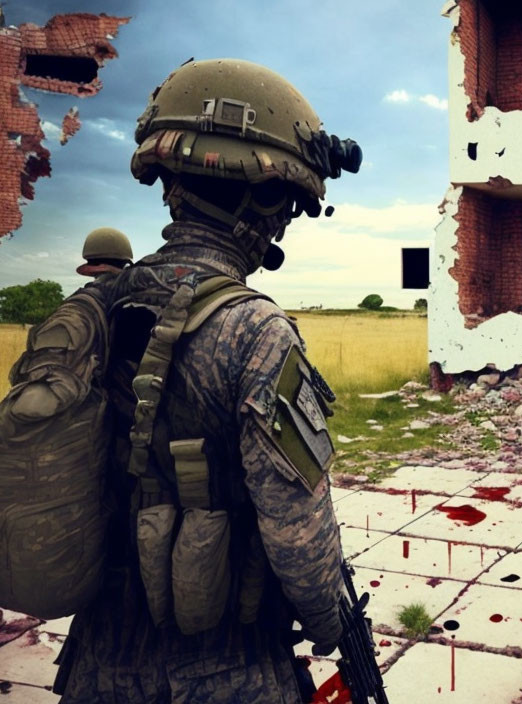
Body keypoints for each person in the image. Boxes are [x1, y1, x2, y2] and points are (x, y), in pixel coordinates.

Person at [53, 58, 361, 703]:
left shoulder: (94, 308)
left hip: (99, 658)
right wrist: (333, 623)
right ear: (267, 198)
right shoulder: (256, 329)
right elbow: (294, 527)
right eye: (287, 206)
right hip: (225, 667)